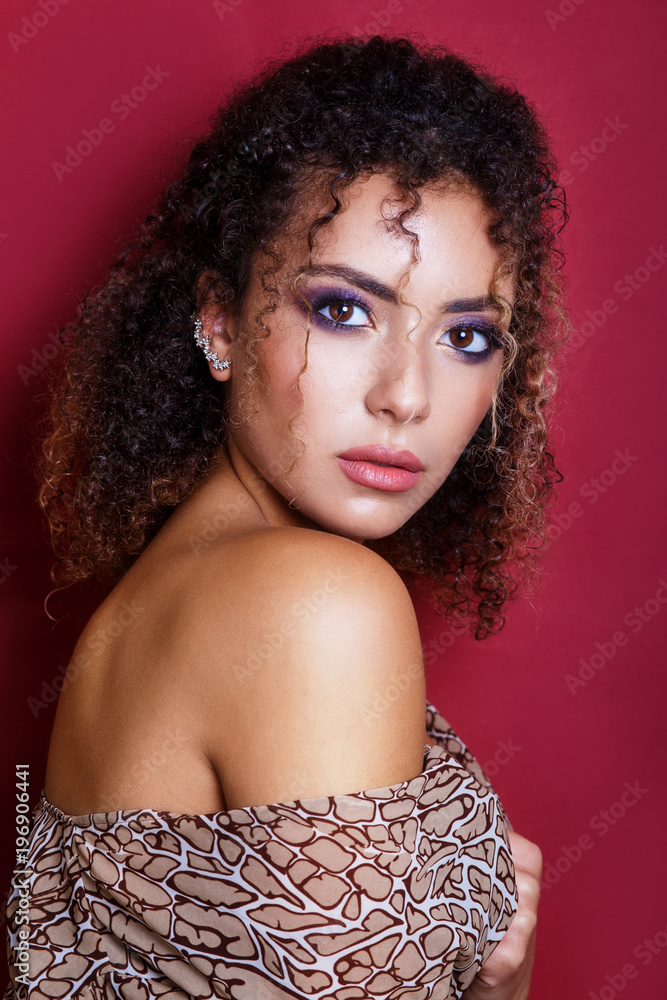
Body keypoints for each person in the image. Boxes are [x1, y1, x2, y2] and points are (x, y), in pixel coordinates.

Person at [4, 33, 566, 1000]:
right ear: (220, 321)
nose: (406, 395)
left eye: (467, 335)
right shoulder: (313, 600)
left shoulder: (169, 592)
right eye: (344, 310)